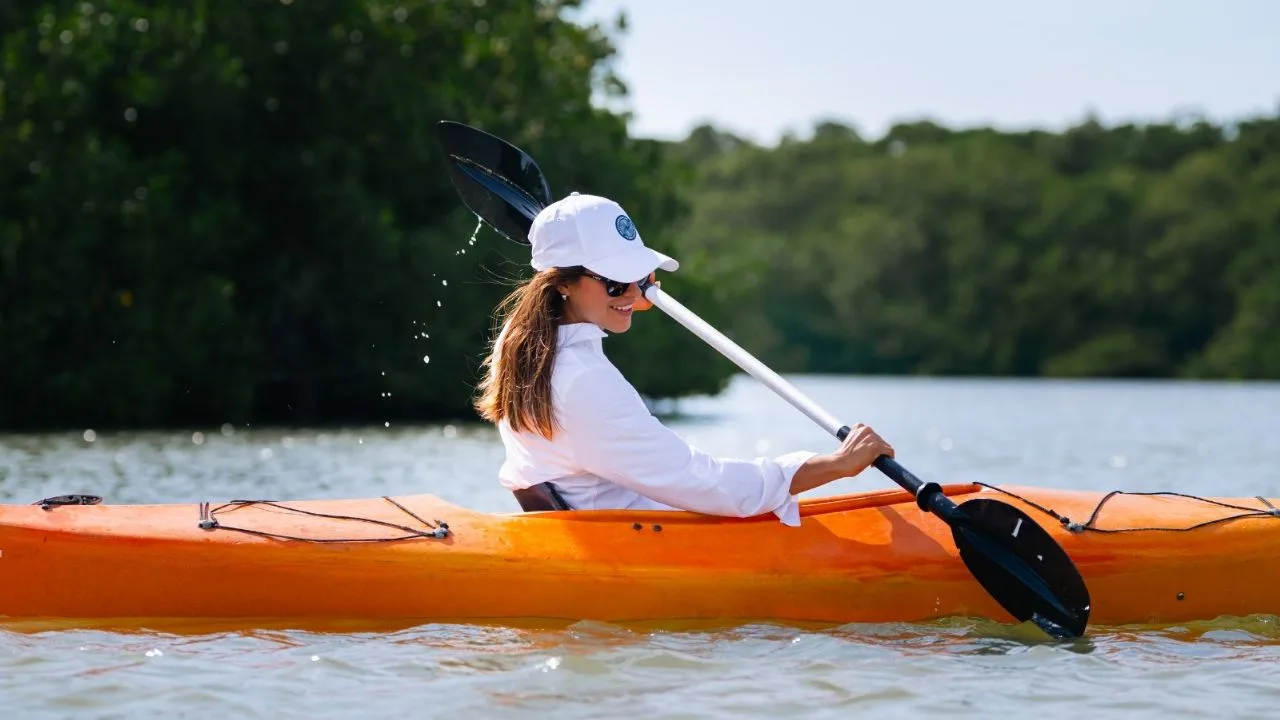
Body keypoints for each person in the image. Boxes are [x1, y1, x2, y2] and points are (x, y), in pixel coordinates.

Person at [474, 192, 894, 525]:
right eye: (617, 282)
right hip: (637, 549)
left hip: (592, 531)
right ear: (563, 283)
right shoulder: (585, 381)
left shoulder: (519, 340)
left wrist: (623, 294)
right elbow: (706, 484)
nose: (637, 293)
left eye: (638, 277)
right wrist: (833, 465)